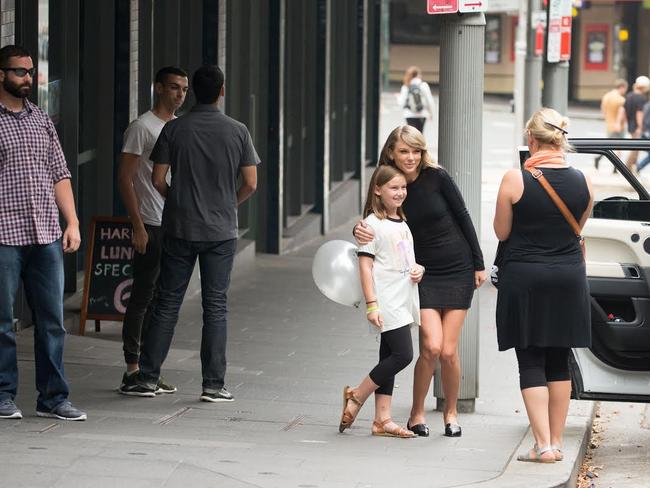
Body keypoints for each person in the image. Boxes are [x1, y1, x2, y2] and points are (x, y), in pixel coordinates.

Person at [120, 65, 259, 402]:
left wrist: (178, 199)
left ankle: (148, 377)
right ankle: (212, 384)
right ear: (222, 91)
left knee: (166, 301)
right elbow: (251, 183)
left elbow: (156, 180)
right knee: (216, 306)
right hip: (220, 230)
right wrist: (228, 204)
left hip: (180, 226)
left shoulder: (174, 129)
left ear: (192, 91)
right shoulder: (238, 131)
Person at [354, 126, 486, 437]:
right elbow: (370, 223)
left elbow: (463, 214)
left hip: (457, 267)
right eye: (404, 151)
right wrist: (357, 232)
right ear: (391, 153)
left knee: (449, 351)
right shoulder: (388, 183)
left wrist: (478, 263)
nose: (411, 157)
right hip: (422, 273)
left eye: (416, 151)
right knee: (431, 346)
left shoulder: (437, 177)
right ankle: (416, 413)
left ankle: (451, 414)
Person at [494, 107, 593, 463]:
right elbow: (576, 229)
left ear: (531, 140)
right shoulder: (584, 181)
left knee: (530, 358)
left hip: (525, 277)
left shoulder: (514, 180)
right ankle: (557, 441)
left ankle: (543, 446)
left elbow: (502, 233)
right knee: (559, 360)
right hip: (568, 277)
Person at [0, 45, 86, 421]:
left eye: (30, 72)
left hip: (46, 234)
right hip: (3, 234)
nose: (28, 79)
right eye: (19, 72)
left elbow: (59, 173)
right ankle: (3, 396)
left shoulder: (41, 119)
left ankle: (53, 398)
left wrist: (73, 222)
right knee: (2, 322)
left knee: (52, 321)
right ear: (0, 75)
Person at [117, 66, 189, 395]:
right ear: (158, 88)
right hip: (150, 221)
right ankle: (132, 368)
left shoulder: (182, 127)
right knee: (143, 296)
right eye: (173, 87)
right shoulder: (142, 127)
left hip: (176, 224)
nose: (179, 94)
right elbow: (125, 178)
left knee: (164, 299)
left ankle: (150, 367)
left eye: (184, 90)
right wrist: (137, 226)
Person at [339, 165, 423, 438]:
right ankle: (357, 395)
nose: (400, 193)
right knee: (403, 355)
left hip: (403, 296)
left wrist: (418, 269)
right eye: (393, 188)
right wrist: (372, 304)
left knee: (389, 355)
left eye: (403, 188)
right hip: (386, 301)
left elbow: (404, 259)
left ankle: (382, 420)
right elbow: (365, 268)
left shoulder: (402, 222)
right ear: (377, 189)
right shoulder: (371, 225)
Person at [594, 79, 627, 169]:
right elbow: (621, 113)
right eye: (625, 89)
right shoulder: (621, 99)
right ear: (622, 87)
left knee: (608, 145)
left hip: (609, 124)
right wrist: (619, 123)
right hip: (619, 125)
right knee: (620, 147)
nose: (625, 91)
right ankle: (616, 168)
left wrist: (607, 119)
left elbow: (603, 109)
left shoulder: (607, 96)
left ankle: (598, 158)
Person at [397, 66, 435, 133]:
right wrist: (431, 114)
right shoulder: (423, 85)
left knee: (411, 135)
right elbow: (429, 100)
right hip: (422, 114)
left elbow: (401, 102)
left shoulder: (406, 86)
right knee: (420, 134)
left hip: (409, 114)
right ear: (418, 75)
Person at [624, 75, 650, 172]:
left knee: (634, 148)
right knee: (635, 149)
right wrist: (640, 127)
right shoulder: (641, 98)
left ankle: (631, 168)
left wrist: (628, 122)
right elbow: (639, 114)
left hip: (630, 125)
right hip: (636, 127)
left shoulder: (629, 95)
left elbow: (624, 111)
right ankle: (627, 169)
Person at [635, 99, 650, 173]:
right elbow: (647, 121)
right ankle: (638, 167)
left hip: (646, 131)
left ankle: (638, 166)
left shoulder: (646, 104)